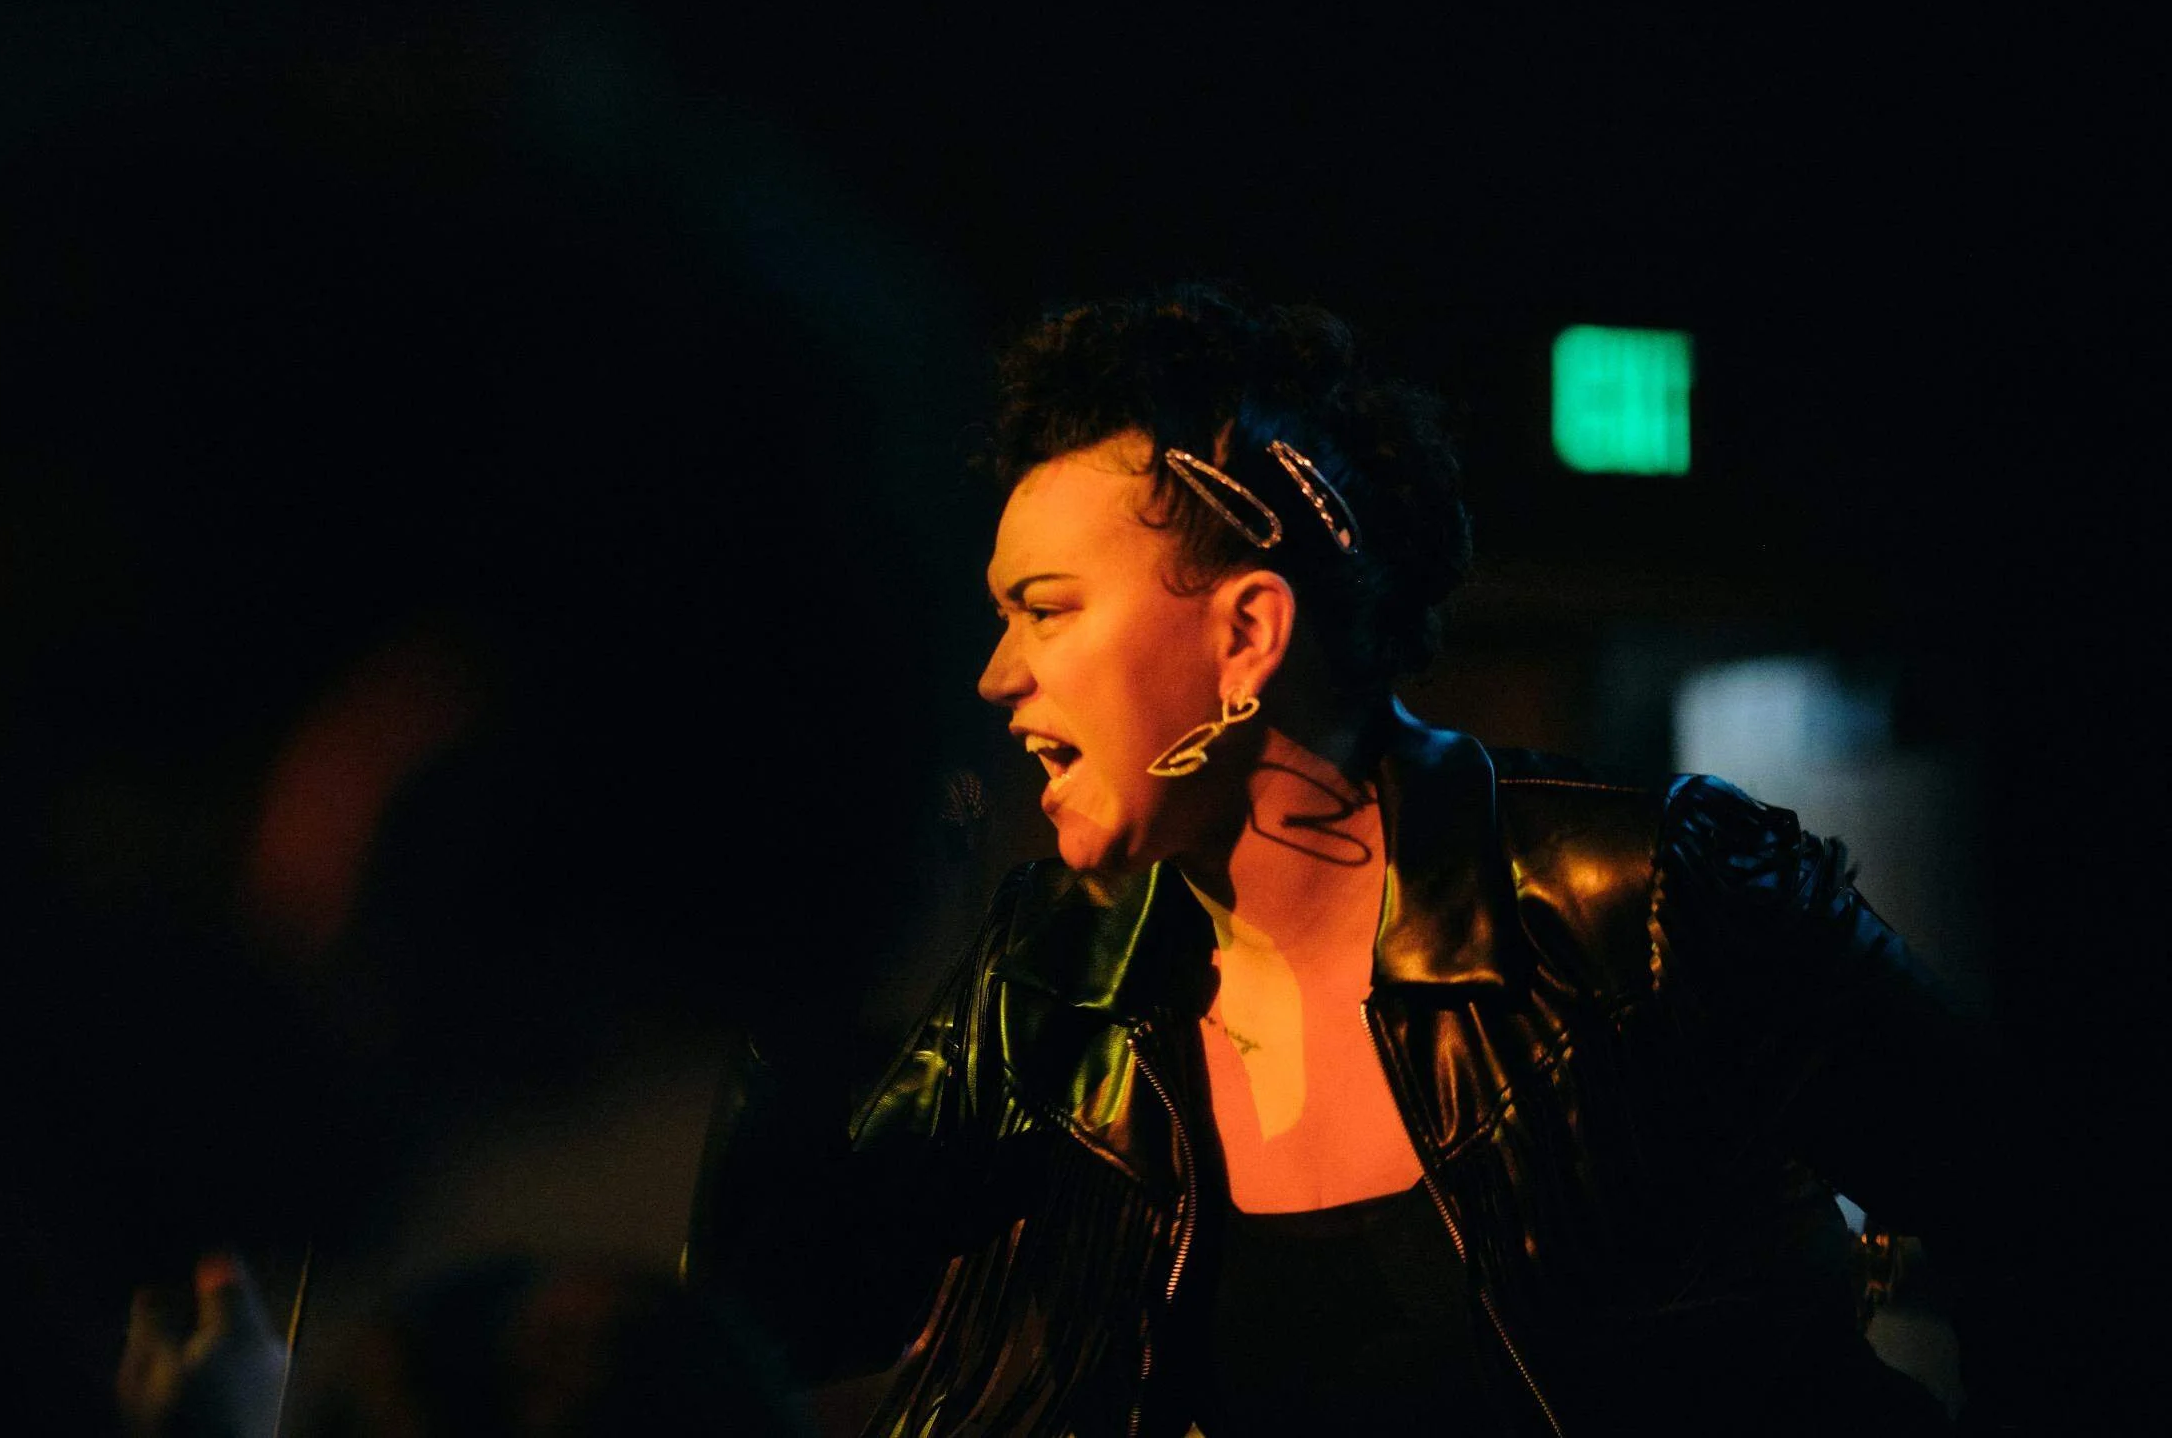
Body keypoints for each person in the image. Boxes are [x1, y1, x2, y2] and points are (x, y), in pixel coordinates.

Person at [694, 287, 2010, 1436]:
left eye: (1045, 606)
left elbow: (2055, 1216)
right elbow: (792, 1314)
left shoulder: (1643, 896)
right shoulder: (1064, 968)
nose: (997, 674)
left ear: (1247, 633)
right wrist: (806, 951)